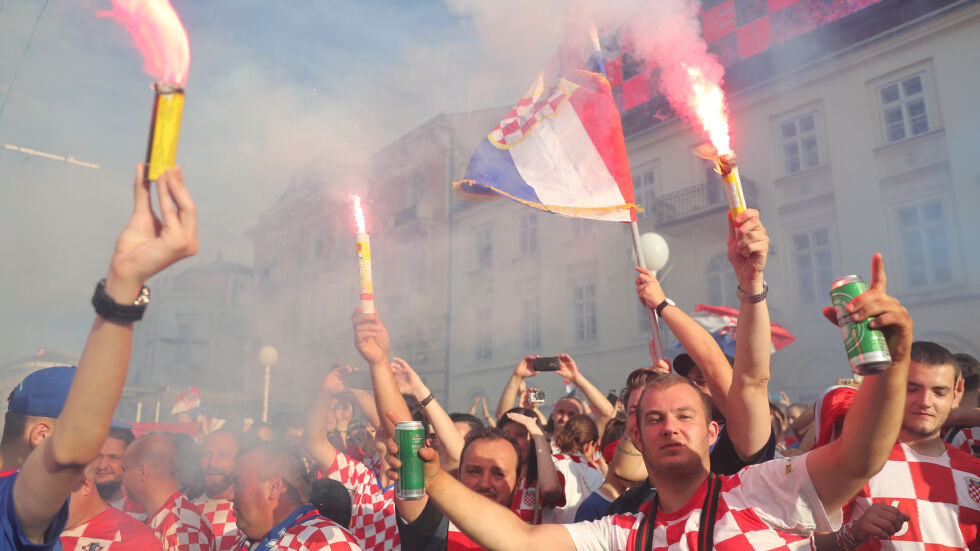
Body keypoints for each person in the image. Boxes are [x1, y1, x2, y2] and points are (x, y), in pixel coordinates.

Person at [389, 237, 913, 550]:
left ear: (713, 431)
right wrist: (433, 477)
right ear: (633, 434)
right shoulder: (625, 532)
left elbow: (859, 458)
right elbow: (521, 541)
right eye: (654, 418)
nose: (669, 426)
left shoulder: (760, 490)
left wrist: (892, 368)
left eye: (684, 414)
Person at [0, 165, 198, 549]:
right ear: (43, 437)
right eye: (90, 433)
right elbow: (70, 450)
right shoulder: (13, 506)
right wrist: (123, 287)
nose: (95, 457)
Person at [814, 341, 979, 550]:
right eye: (912, 389)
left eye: (939, 392)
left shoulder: (974, 470)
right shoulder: (855, 460)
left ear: (957, 393)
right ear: (891, 387)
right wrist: (854, 532)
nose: (925, 401)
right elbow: (809, 542)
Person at [305, 363, 400, 551]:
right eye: (378, 426)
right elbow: (313, 442)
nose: (380, 428)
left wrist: (358, 389)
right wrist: (327, 392)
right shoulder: (362, 473)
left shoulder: (416, 481)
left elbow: (389, 427)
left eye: (388, 427)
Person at [391, 427, 523, 551]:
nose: (484, 484)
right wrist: (405, 455)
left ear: (518, 483)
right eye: (474, 471)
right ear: (459, 475)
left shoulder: (530, 538)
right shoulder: (437, 520)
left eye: (498, 474)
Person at [232, 442, 361, 550]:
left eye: (238, 483)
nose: (231, 496)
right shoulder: (246, 542)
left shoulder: (326, 543)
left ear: (274, 487)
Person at [122, 433, 215, 551]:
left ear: (143, 472)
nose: (122, 477)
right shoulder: (171, 518)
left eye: (125, 469)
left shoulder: (179, 524)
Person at [60, 462, 163, 550]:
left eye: (52, 493)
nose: (46, 505)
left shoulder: (133, 540)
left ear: (84, 486)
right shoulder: (47, 534)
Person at [496, 409, 565, 523]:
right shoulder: (490, 477)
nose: (512, 440)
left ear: (533, 442)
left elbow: (550, 489)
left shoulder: (543, 479)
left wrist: (538, 436)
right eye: (506, 434)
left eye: (521, 435)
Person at [545, 415, 604, 523]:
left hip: (545, 535)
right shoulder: (596, 473)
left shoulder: (549, 463)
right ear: (590, 444)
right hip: (584, 537)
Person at [195, 430, 244, 551]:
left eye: (222, 455)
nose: (212, 463)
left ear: (239, 460)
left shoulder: (251, 514)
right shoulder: (184, 511)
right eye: (206, 454)